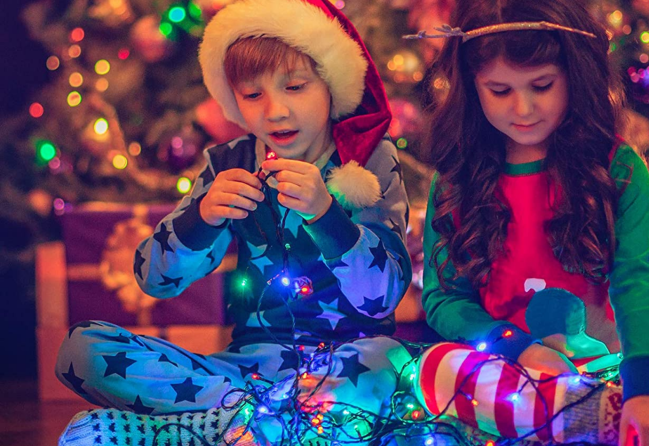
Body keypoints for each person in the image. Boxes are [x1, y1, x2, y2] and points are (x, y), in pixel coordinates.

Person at [56, 1, 412, 445]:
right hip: (244, 371)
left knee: (383, 369)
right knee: (82, 351)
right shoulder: (227, 163)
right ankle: (254, 422)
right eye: (252, 94)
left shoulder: (371, 158)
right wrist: (201, 217)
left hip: (352, 358)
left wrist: (326, 214)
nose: (275, 110)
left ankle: (191, 431)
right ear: (232, 99)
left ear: (332, 84)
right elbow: (153, 279)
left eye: (296, 87)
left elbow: (380, 298)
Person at [412, 0, 649, 445]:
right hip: (513, 368)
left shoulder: (618, 168)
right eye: (500, 91)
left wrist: (643, 385)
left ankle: (588, 418)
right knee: (435, 370)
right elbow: (444, 299)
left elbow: (636, 280)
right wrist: (520, 347)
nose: (524, 107)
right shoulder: (455, 180)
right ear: (472, 88)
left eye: (542, 85)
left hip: (611, 368)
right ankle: (624, 423)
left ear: (573, 74)